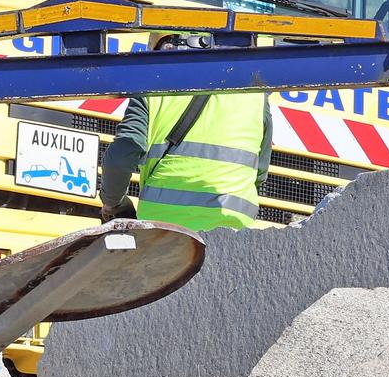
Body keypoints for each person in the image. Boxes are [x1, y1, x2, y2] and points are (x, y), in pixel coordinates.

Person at [97, 34, 273, 230]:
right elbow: (260, 171)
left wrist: (113, 203)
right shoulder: (256, 95)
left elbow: (120, 158)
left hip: (163, 235)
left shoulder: (151, 90)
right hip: (234, 236)